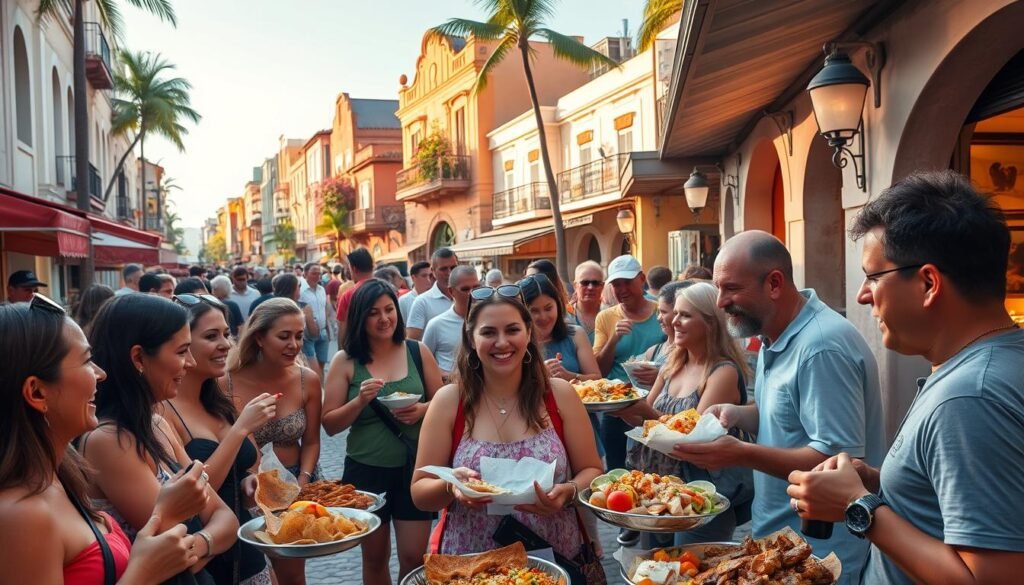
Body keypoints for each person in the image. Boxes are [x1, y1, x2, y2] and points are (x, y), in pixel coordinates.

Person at [787, 171, 1024, 585]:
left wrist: (857, 507)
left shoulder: (969, 397)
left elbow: (992, 578)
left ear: (929, 283)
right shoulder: (985, 366)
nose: (863, 295)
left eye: (874, 276)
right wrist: (879, 484)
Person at [671, 231, 885, 584]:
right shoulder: (779, 332)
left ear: (774, 283)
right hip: (780, 541)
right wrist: (739, 414)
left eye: (731, 288)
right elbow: (792, 416)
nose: (720, 302)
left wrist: (740, 453)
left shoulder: (820, 346)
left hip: (818, 552)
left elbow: (837, 460)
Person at [0, 296, 201, 584]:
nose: (100, 373)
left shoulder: (61, 469)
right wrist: (143, 573)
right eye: (86, 361)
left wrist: (161, 517)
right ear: (37, 393)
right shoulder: (22, 515)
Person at [410, 285, 604, 576]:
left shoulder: (559, 395)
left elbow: (592, 470)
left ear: (528, 333)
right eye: (488, 333)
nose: (502, 342)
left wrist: (569, 491)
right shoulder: (449, 401)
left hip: (555, 560)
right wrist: (452, 486)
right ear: (471, 339)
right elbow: (420, 490)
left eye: (512, 330)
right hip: (471, 567)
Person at [81, 294, 240, 583]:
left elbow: (227, 520)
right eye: (181, 352)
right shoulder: (110, 441)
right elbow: (172, 539)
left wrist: (199, 543)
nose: (190, 363)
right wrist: (207, 541)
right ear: (138, 358)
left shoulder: (157, 424)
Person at [613, 281, 754, 546]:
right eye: (675, 313)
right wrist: (620, 409)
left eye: (685, 315)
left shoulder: (723, 372)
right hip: (655, 491)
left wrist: (644, 411)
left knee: (690, 570)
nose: (674, 321)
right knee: (652, 570)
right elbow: (641, 419)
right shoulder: (672, 363)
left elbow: (694, 440)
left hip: (698, 497)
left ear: (711, 323)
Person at [323, 279, 444, 584]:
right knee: (375, 558)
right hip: (365, 471)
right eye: (373, 312)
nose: (384, 319)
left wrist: (421, 410)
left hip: (415, 469)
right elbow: (330, 424)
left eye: (389, 310)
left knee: (413, 558)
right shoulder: (346, 361)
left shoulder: (417, 351)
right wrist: (360, 400)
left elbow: (444, 404)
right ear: (360, 318)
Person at [160, 295, 275, 585]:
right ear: (182, 345)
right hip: (208, 557)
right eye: (211, 336)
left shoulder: (219, 398)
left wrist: (250, 480)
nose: (226, 344)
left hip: (248, 546)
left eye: (226, 333)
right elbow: (193, 489)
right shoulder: (162, 411)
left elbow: (250, 460)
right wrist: (239, 431)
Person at [226, 298, 322, 585]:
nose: (294, 344)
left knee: (292, 573)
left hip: (295, 486)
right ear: (259, 337)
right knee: (255, 573)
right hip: (244, 488)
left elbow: (313, 441)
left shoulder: (308, 380)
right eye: (284, 336)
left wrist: (304, 479)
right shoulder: (226, 382)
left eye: (299, 336)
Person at [593, 255, 666, 471]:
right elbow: (598, 370)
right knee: (617, 470)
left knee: (654, 468)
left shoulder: (660, 313)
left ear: (642, 279)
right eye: (616, 284)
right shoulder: (606, 317)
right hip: (616, 407)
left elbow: (679, 356)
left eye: (627, 282)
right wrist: (614, 339)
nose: (622, 289)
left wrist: (661, 374)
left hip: (654, 405)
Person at [520, 273, 600, 383]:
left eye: (548, 309)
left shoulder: (575, 334)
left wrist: (570, 376)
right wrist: (539, 375)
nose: (543, 317)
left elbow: (597, 379)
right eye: (534, 311)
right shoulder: (516, 343)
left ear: (558, 305)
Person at [629, 281, 689, 390]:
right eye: (658, 312)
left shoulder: (691, 353)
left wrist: (663, 378)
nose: (658, 318)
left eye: (664, 312)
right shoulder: (654, 351)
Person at [423, 266, 479, 379]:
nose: (472, 293)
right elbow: (422, 362)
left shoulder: (490, 321)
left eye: (476, 288)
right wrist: (447, 376)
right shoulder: (436, 325)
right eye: (465, 289)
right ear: (451, 291)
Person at [406, 248, 459, 340]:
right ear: (433, 271)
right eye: (443, 269)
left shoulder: (469, 296)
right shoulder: (422, 302)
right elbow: (412, 342)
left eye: (453, 268)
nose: (449, 273)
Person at [335, 248, 375, 343]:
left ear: (354, 269)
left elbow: (343, 330)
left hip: (359, 347)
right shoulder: (388, 290)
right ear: (372, 266)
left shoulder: (348, 295)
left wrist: (341, 353)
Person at [299, 262, 329, 380]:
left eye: (319, 274)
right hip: (308, 333)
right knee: (311, 364)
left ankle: (319, 383)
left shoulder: (322, 289)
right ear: (305, 274)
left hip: (322, 331)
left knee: (322, 361)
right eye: (314, 273)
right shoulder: (301, 291)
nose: (317, 276)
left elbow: (324, 308)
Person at [569, 261, 605, 343]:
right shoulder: (564, 317)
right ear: (575, 286)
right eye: (585, 283)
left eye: (595, 283)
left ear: (602, 286)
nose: (590, 287)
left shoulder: (611, 315)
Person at [399, 261, 434, 325]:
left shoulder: (437, 297)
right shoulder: (404, 301)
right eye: (424, 276)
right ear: (413, 278)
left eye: (430, 276)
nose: (428, 279)